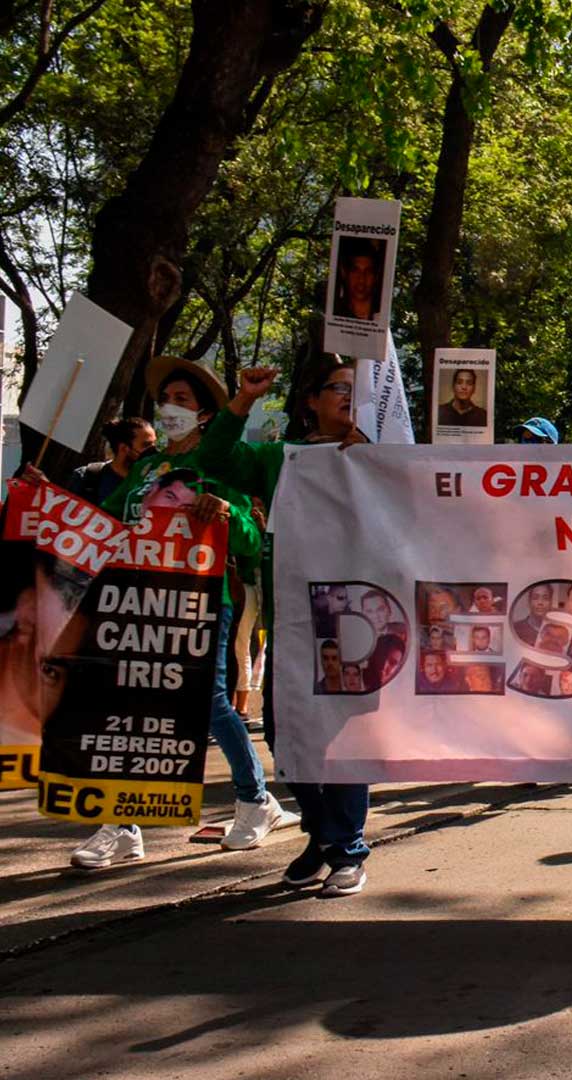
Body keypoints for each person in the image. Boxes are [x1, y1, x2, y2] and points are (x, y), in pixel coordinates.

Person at [62, 358, 295, 872]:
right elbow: (102, 525)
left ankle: (256, 799)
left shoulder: (223, 466)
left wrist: (228, 513)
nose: (170, 408)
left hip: (198, 603)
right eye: (165, 399)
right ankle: (121, 825)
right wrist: (40, 498)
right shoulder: (145, 470)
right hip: (135, 605)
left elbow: (251, 542)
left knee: (207, 702)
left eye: (182, 400)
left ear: (206, 414)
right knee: (123, 710)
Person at [193, 359, 380, 896]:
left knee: (341, 743)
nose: (349, 396)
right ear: (312, 402)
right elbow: (215, 457)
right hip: (294, 623)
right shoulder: (282, 459)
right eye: (338, 388)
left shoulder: (380, 460)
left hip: (356, 623)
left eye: (357, 390)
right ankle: (323, 836)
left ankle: (347, 850)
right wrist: (243, 401)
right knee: (286, 737)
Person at [66, 417, 155, 507]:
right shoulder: (85, 477)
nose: (154, 452)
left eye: (154, 444)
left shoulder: (154, 489)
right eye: (146, 446)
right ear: (124, 448)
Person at [333, 237, 383, 321]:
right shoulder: (334, 314)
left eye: (368, 272)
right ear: (344, 273)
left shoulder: (382, 316)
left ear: (376, 276)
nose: (361, 280)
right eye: (355, 271)